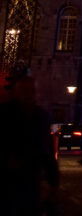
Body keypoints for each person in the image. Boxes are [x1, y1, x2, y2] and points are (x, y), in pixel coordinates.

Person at [0, 74, 60, 216]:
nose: (27, 94)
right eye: (23, 90)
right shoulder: (4, 114)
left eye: (31, 90)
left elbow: (47, 150)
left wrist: (54, 182)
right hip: (8, 179)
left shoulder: (41, 116)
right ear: (15, 92)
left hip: (31, 178)